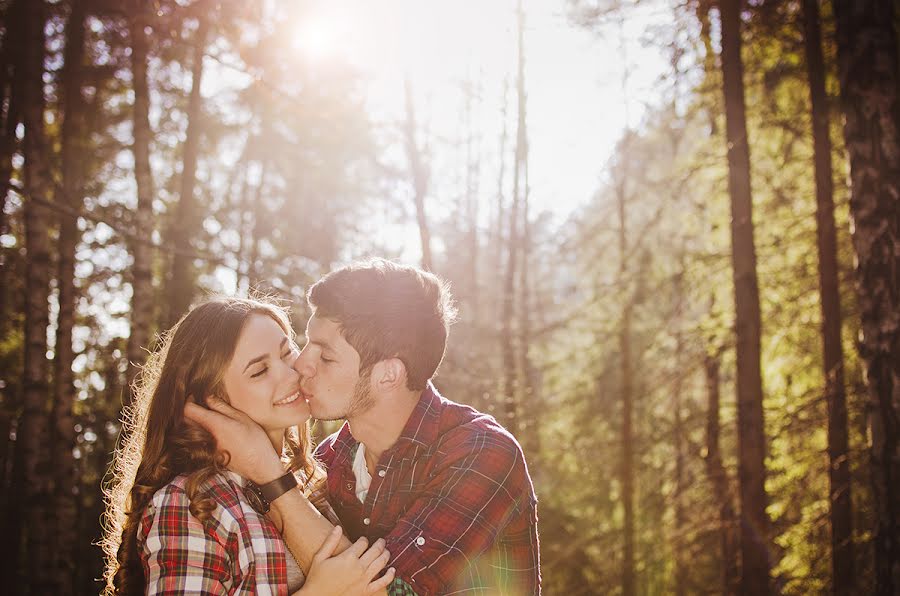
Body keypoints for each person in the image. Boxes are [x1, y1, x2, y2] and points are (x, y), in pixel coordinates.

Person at [187, 260, 541, 595]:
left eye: (326, 356)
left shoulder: (481, 453)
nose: (302, 364)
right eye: (305, 342)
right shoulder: (328, 461)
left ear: (389, 374)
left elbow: (386, 592)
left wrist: (270, 476)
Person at [101, 297, 396, 595]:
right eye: (259, 371)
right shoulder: (192, 502)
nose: (291, 374)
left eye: (286, 353)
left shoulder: (312, 483)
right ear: (210, 401)